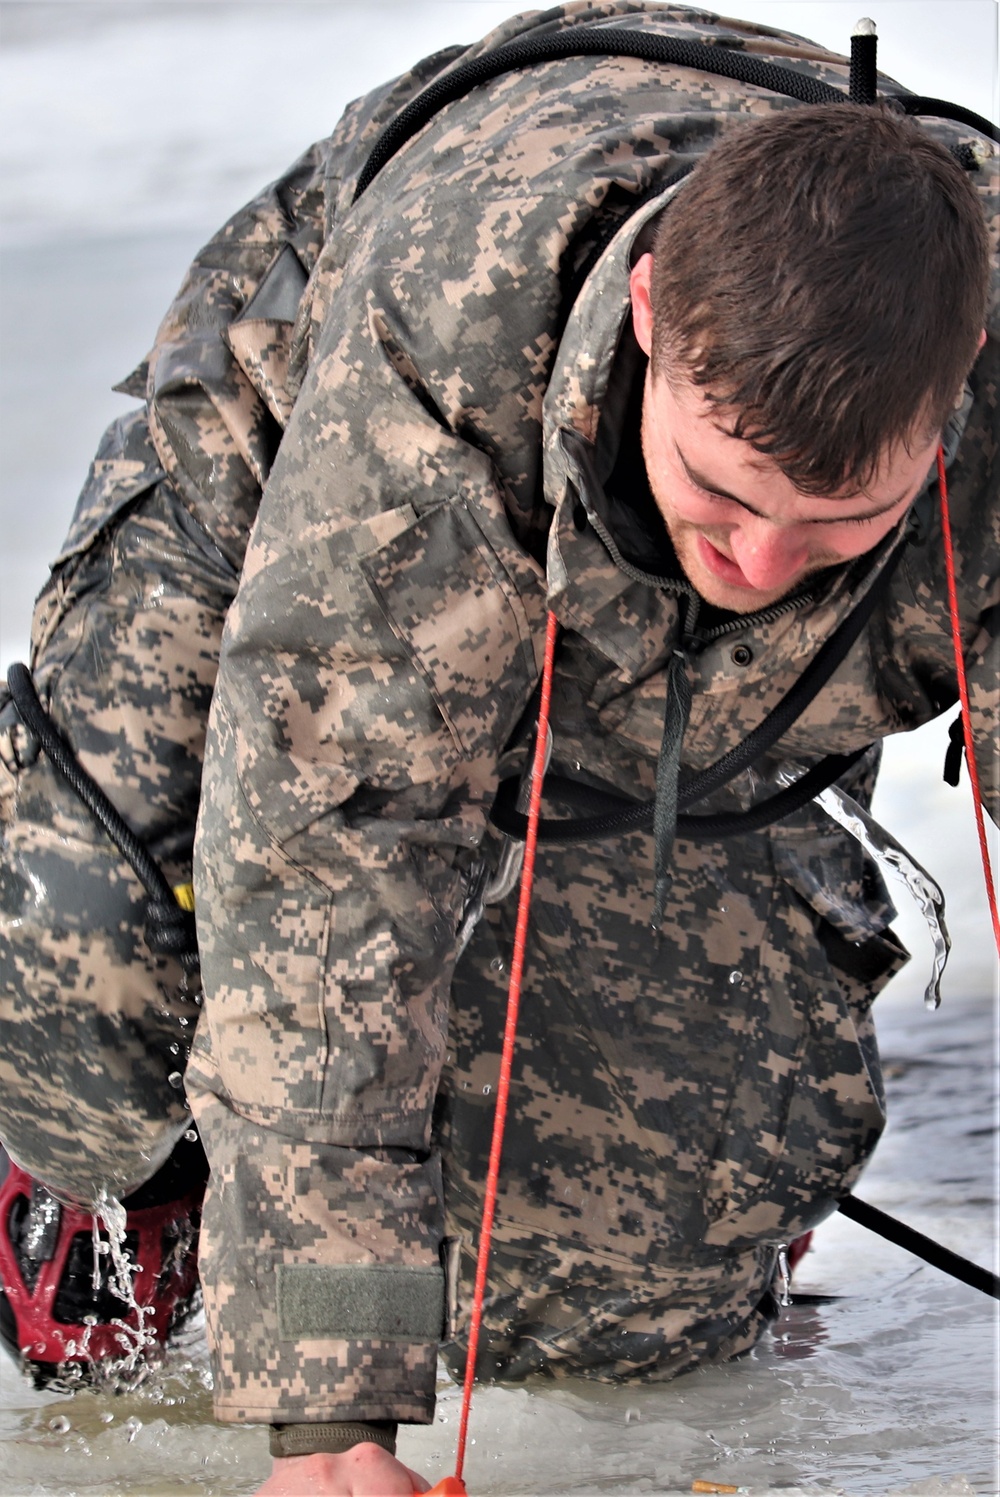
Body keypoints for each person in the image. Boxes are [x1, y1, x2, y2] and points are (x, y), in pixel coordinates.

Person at [0, 4, 995, 1494]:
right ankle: (129, 1196)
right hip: (295, 502)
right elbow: (334, 869)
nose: (768, 560)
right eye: (726, 501)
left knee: (624, 1270)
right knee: (93, 965)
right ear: (652, 313)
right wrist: (330, 1423)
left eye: (836, 528)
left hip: (690, 692)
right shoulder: (444, 340)